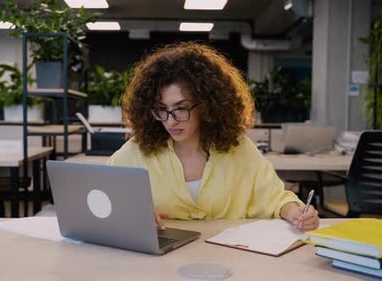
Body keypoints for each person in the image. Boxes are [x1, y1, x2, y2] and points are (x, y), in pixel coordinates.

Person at [107, 41, 319, 231]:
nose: (170, 121)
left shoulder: (238, 148)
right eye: (161, 109)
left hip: (230, 258)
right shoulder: (137, 151)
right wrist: (130, 212)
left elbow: (276, 198)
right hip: (162, 264)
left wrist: (294, 212)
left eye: (181, 109)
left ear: (206, 105)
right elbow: (104, 197)